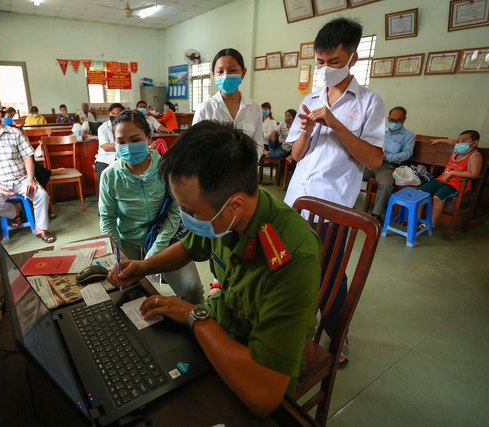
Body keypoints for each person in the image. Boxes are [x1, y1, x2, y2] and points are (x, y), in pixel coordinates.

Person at [107, 120, 321, 416]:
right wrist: (144, 266)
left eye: (191, 212)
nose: (185, 219)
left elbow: (263, 397)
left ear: (233, 205)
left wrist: (194, 315)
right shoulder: (226, 216)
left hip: (252, 361)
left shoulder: (292, 259)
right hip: (221, 325)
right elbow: (189, 247)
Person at [284, 17, 386, 367]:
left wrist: (336, 123)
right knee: (289, 263)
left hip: (334, 204)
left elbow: (373, 158)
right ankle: (292, 323)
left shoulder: (371, 103)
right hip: (296, 199)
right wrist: (308, 130)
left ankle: (335, 335)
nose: (326, 69)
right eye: (321, 62)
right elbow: (295, 155)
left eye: (334, 62)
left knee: (330, 272)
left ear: (353, 59)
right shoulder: (310, 99)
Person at [98, 110, 204, 304]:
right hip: (128, 241)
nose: (128, 146)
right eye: (121, 141)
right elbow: (107, 220)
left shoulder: (166, 167)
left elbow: (175, 209)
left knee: (192, 290)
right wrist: (118, 255)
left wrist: (156, 250)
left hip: (166, 239)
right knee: (125, 293)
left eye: (135, 139)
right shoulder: (109, 176)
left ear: (148, 137)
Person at [0, 99, 56, 243]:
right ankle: (14, 211)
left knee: (41, 195)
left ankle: (40, 229)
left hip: (22, 179)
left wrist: (30, 178)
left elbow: (27, 156)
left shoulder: (14, 133)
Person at [192, 48, 264, 159]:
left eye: (232, 70)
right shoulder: (205, 109)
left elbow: (258, 144)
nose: (225, 76)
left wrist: (248, 166)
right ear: (214, 75)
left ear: (243, 73)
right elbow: (195, 146)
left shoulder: (254, 108)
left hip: (245, 173)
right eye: (220, 71)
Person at [419, 130, 482, 228]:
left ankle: (431, 223)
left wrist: (452, 172)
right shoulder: (457, 150)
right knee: (420, 192)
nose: (459, 143)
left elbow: (474, 174)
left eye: (464, 141)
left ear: (474, 143)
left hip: (457, 184)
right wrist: (438, 140)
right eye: (458, 141)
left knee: (437, 197)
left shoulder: (474, 156)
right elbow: (453, 142)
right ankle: (416, 218)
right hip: (441, 180)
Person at [362, 106, 415, 222]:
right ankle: (348, 206)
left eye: (398, 121)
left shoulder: (408, 135)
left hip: (388, 166)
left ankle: (375, 215)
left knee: (386, 184)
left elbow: (407, 153)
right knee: (352, 174)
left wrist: (387, 157)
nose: (394, 123)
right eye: (391, 120)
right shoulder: (380, 132)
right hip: (371, 162)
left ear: (404, 120)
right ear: (388, 118)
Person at [94, 102, 125, 189]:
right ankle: (104, 200)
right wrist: (124, 145)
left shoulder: (126, 127)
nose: (115, 116)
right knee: (104, 178)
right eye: (113, 113)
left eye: (118, 114)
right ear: (109, 114)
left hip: (122, 157)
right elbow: (106, 147)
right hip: (105, 159)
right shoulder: (102, 128)